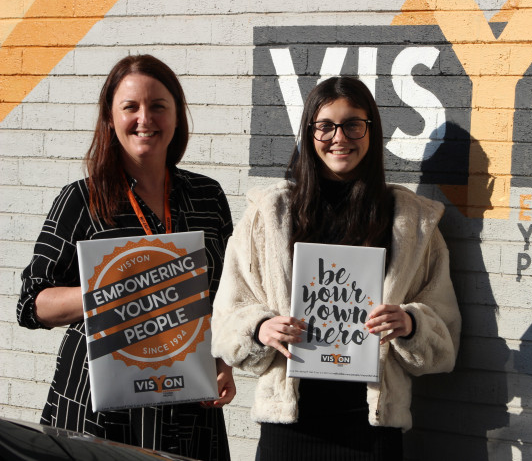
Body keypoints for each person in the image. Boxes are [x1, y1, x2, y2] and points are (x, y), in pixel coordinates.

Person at [211, 76, 461, 460]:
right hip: (290, 427)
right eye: (325, 125)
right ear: (310, 132)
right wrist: (260, 327)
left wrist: (410, 324)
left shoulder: (412, 222)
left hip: (372, 429)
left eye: (353, 124)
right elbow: (227, 320)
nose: (339, 137)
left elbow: (445, 339)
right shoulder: (269, 216)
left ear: (371, 131)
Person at [17, 55, 235, 461]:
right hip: (99, 408)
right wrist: (113, 294)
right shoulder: (81, 198)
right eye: (130, 107)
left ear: (176, 115)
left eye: (158, 106)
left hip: (187, 405)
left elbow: (221, 299)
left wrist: (222, 361)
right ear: (110, 117)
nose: (144, 118)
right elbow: (32, 304)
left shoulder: (208, 197)